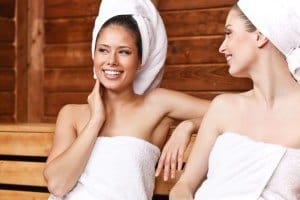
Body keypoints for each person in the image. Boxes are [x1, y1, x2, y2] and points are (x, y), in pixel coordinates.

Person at [43, 0, 209, 199]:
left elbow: (233, 111)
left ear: (140, 61)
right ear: (94, 56)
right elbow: (57, 185)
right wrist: (96, 121)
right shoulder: (72, 114)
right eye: (103, 50)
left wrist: (188, 126)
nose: (111, 60)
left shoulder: (156, 105)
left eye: (124, 52)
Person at [170, 0, 300, 199]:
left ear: (260, 36)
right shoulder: (224, 107)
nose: (222, 47)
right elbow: (184, 186)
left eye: (229, 33)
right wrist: (187, 125)